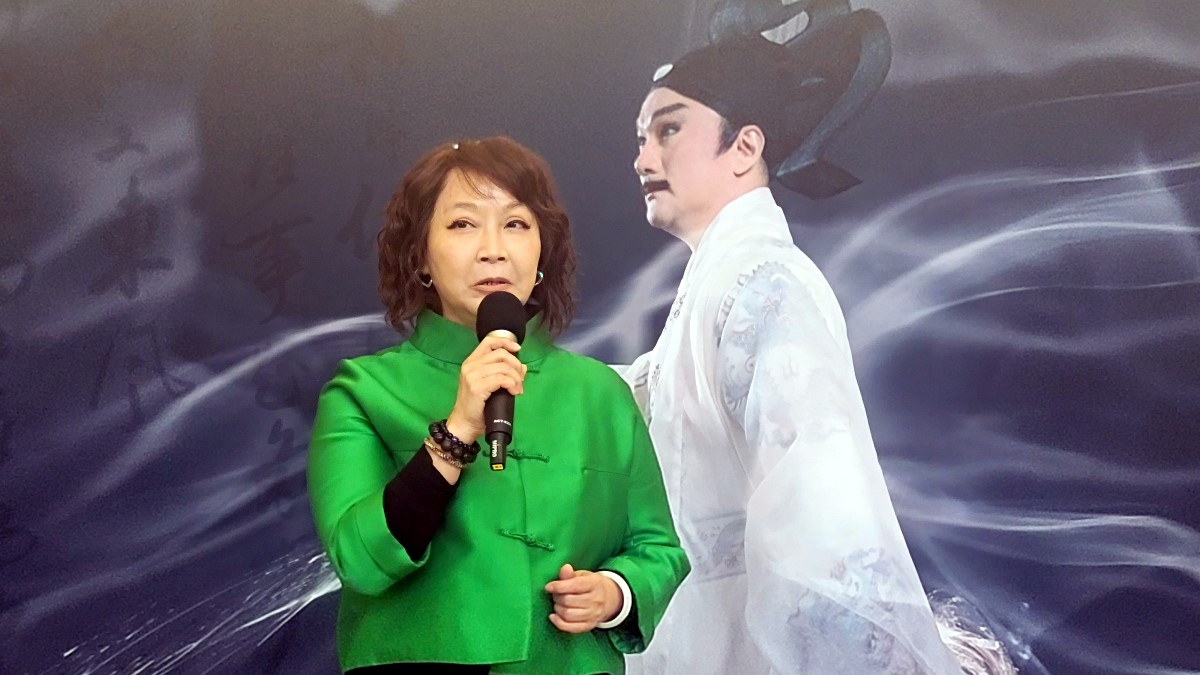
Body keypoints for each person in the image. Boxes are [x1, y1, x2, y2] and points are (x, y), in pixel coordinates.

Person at [621, 11, 983, 675]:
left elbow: (825, 521)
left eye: (668, 129)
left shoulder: (765, 284)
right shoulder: (718, 288)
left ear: (744, 147)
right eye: (642, 137)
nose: (643, 158)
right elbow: (637, 393)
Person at [308, 136, 689, 674]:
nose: (494, 248)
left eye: (515, 223)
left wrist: (615, 592)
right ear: (420, 257)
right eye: (463, 224)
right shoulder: (362, 390)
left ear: (541, 254)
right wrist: (456, 430)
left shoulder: (601, 393)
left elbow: (658, 547)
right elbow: (359, 560)